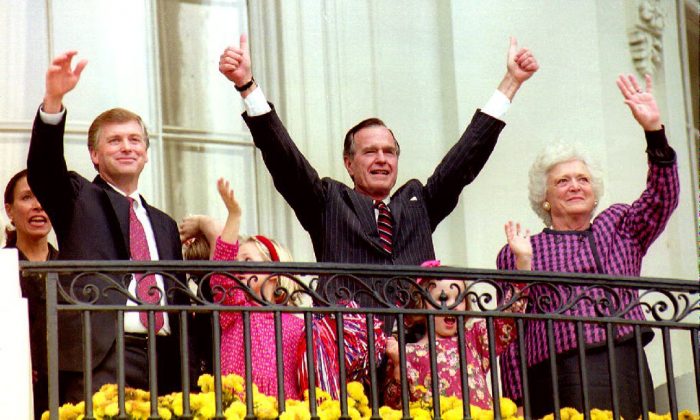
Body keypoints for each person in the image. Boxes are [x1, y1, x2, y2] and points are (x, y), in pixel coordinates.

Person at [218, 35, 539, 325]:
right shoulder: (327, 201)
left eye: (390, 152)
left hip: (417, 354)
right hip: (350, 352)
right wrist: (247, 86)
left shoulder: (419, 203)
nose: (382, 159)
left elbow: (465, 158)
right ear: (349, 163)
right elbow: (284, 160)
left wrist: (511, 83)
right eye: (370, 152)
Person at [496, 74, 679, 419]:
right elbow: (511, 333)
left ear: (594, 192)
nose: (575, 186)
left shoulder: (620, 225)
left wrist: (654, 132)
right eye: (562, 181)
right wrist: (516, 399)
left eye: (583, 180)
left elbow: (662, 198)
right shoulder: (521, 249)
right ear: (545, 198)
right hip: (556, 369)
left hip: (623, 359)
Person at [26, 51, 187, 403]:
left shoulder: (164, 224)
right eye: (114, 140)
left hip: (165, 361)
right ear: (95, 155)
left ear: (146, 152)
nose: (126, 147)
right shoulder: (77, 198)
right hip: (103, 356)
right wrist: (53, 101)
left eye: (134, 140)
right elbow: (43, 168)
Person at [206, 178, 386, 400]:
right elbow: (221, 275)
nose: (237, 267)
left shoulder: (299, 323)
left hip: (287, 408)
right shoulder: (234, 310)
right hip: (240, 406)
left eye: (247, 260)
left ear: (274, 274)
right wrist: (234, 216)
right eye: (236, 261)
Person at [383, 223, 530, 410]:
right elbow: (394, 404)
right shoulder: (407, 353)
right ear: (421, 304)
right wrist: (397, 363)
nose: (451, 305)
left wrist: (523, 261)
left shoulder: (474, 340)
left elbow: (509, 319)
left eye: (458, 297)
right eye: (441, 298)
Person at [4, 169, 58, 419]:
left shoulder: (74, 269)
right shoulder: (3, 265)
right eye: (27, 197)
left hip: (69, 393)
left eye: (45, 197)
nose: (38, 206)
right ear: (9, 210)